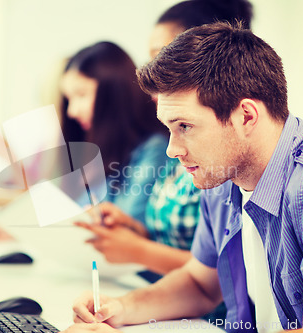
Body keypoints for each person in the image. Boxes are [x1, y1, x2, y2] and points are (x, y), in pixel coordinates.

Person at [65, 22, 303, 333]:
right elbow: (199, 284)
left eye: (185, 127)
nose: (171, 150)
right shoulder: (220, 174)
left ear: (246, 116)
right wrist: (120, 308)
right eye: (168, 129)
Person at [76, 0, 253, 276]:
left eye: (160, 57)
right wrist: (134, 230)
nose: (150, 70)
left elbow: (221, 275)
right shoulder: (179, 145)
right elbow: (188, 250)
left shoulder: (226, 158)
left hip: (208, 317)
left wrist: (138, 250)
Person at [59, 41, 169, 223]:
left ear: (114, 94)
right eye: (69, 99)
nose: (72, 111)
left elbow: (123, 225)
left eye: (81, 95)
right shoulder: (99, 148)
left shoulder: (154, 148)